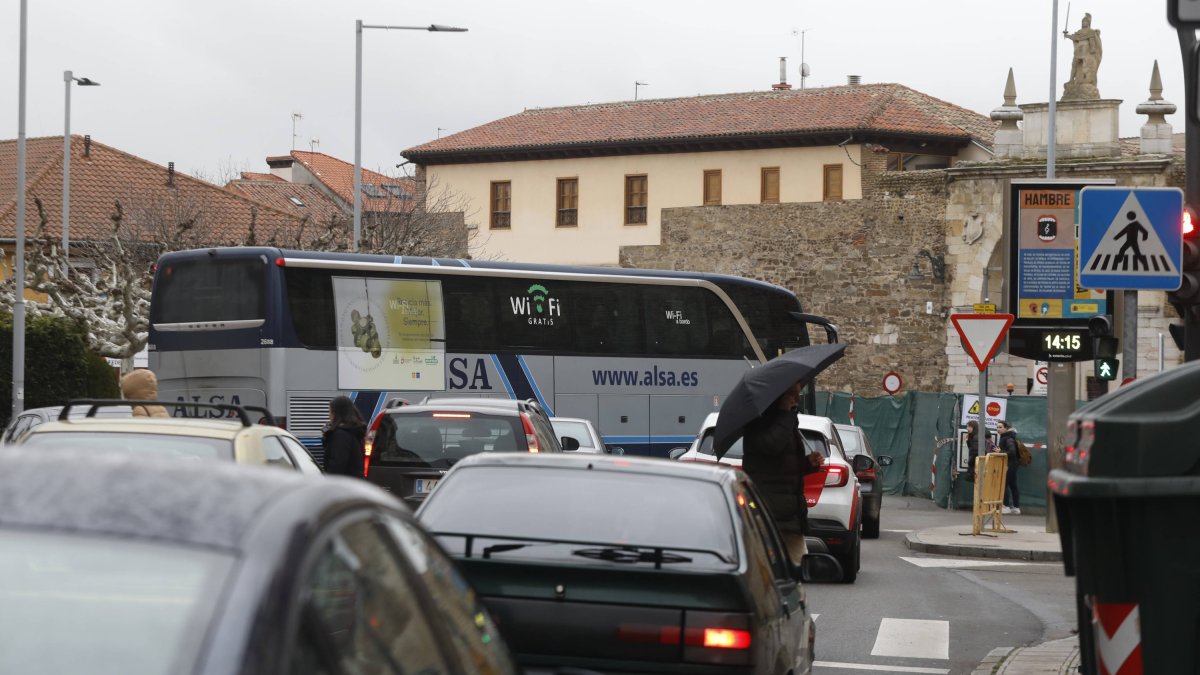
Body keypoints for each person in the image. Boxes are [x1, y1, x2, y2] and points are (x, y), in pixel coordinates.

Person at [741, 381, 824, 561]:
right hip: (768, 514)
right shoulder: (760, 422)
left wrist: (808, 463)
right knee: (768, 571)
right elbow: (772, 446)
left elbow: (785, 466)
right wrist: (784, 414)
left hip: (790, 517)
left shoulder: (787, 422)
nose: (796, 399)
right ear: (779, 397)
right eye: (792, 395)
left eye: (797, 394)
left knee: (798, 568)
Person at [322, 396, 366, 477]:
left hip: (342, 486)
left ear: (338, 413)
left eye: (331, 412)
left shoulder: (340, 435)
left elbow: (336, 466)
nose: (329, 415)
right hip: (355, 484)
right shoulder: (355, 431)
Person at [996, 420, 1021, 515]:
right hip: (1013, 465)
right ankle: (1016, 507)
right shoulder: (1009, 437)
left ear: (1006, 428)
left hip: (1008, 465)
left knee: (1004, 484)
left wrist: (1000, 452)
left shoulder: (1007, 438)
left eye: (1000, 427)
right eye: (997, 427)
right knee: (1013, 485)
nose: (998, 429)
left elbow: (1012, 452)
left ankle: (1005, 506)